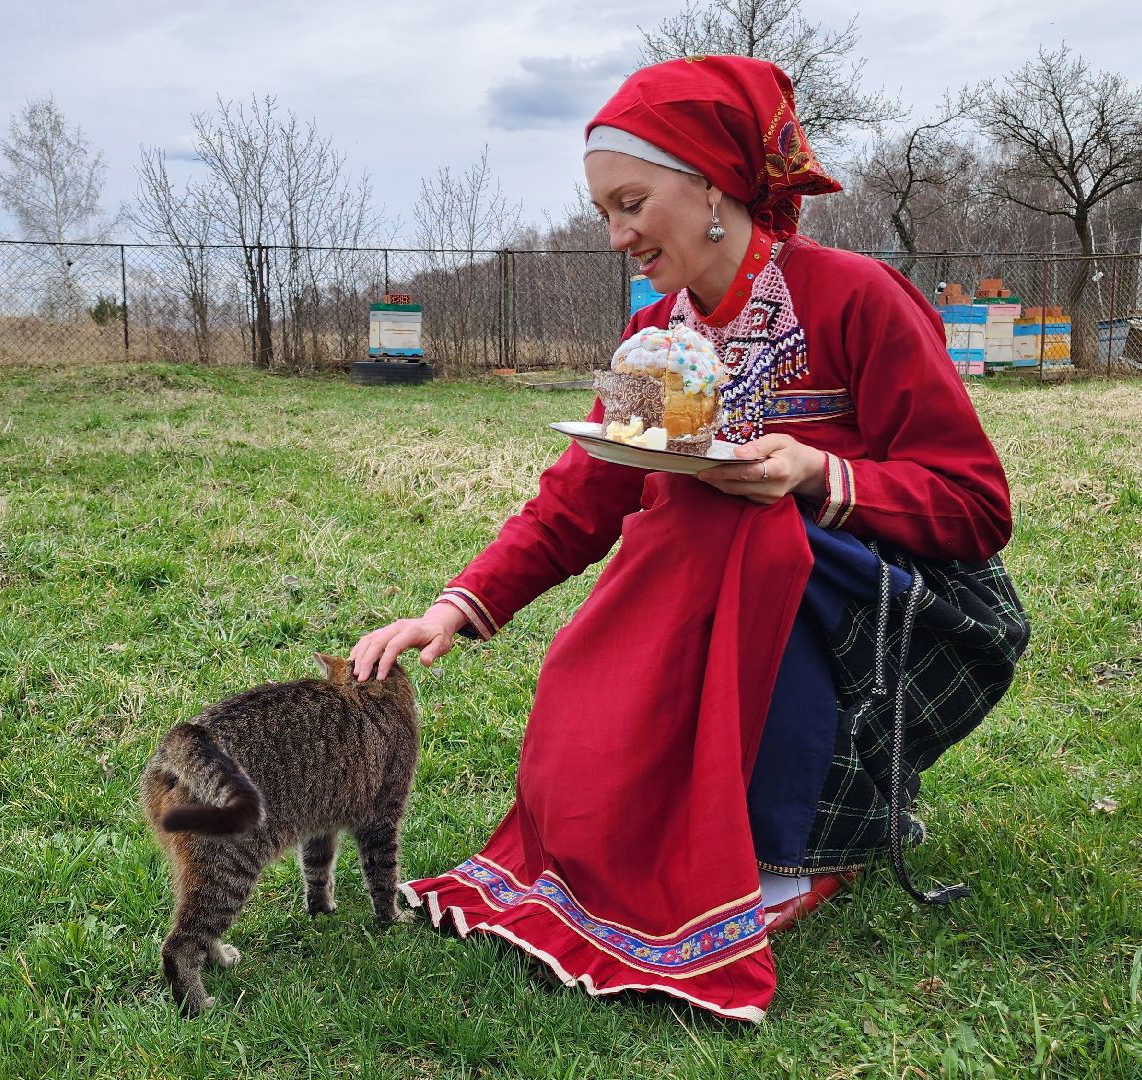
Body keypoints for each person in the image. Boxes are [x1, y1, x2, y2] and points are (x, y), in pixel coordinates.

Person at [350, 55, 1027, 1023]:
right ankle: (645, 825)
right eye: (603, 215)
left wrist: (819, 473)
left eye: (631, 204)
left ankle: (784, 851)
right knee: (677, 544)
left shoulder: (855, 299)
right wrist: (455, 605)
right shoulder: (659, 340)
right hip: (745, 591)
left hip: (910, 615)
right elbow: (582, 498)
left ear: (711, 185)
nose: (619, 235)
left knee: (743, 520)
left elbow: (975, 504)